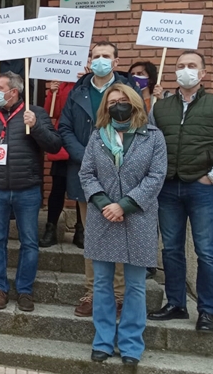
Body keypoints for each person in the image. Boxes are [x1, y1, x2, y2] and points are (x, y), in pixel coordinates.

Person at [80, 84, 167, 365]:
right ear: (106, 107)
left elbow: (156, 177)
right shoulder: (97, 137)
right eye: (112, 101)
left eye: (123, 100)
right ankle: (103, 341)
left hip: (138, 217)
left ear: (134, 103)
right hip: (102, 216)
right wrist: (105, 203)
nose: (118, 105)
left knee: (136, 285)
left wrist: (124, 205)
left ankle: (131, 344)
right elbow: (87, 173)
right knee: (102, 283)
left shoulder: (153, 137)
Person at [59, 41, 141, 318]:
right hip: (87, 175)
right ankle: (92, 293)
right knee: (93, 237)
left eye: (106, 56)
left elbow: (141, 126)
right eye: (96, 56)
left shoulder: (129, 91)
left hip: (123, 175)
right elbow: (65, 129)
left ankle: (118, 296)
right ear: (89, 61)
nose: (100, 60)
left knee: (119, 235)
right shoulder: (78, 92)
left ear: (116, 62)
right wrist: (89, 158)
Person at [148, 50, 213, 333]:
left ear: (203, 73)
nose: (185, 70)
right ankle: (176, 304)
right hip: (168, 188)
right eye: (180, 66)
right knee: (171, 249)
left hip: (201, 188)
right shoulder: (160, 106)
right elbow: (151, 144)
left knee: (206, 252)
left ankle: (206, 311)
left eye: (192, 66)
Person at [0, 72, 62, 312]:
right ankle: (0, 288)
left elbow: (54, 145)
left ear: (13, 92)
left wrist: (35, 127)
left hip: (27, 189)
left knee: (29, 242)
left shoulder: (35, 114)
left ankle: (25, 291)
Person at [39, 80, 79, 248]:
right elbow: (50, 114)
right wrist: (52, 94)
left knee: (82, 190)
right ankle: (51, 229)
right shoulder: (61, 86)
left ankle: (81, 230)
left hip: (83, 144)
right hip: (63, 145)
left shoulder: (90, 84)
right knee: (57, 189)